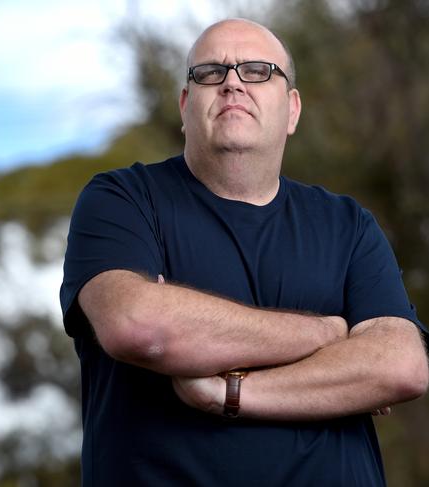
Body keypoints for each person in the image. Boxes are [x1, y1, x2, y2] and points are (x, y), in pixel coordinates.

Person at [59, 18, 428, 487]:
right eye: (210, 72)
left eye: (257, 70)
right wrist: (329, 335)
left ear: (292, 110)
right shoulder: (122, 200)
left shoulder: (348, 225)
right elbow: (141, 328)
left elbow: (401, 365)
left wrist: (228, 392)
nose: (233, 82)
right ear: (185, 104)